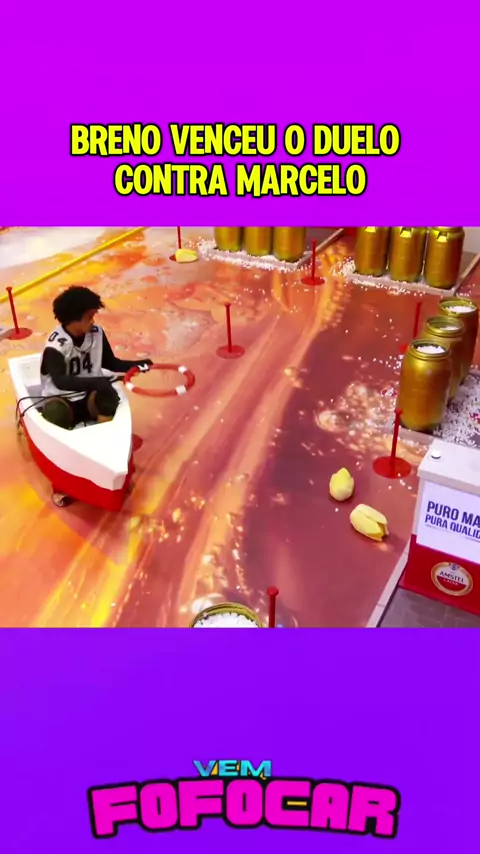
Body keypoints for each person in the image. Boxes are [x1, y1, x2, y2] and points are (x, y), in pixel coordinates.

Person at [40, 286, 153, 429]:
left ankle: (105, 432)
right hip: (62, 398)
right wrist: (97, 382)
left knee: (109, 396)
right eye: (89, 317)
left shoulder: (97, 333)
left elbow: (110, 362)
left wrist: (136, 365)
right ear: (73, 320)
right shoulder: (55, 346)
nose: (93, 321)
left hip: (89, 396)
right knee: (56, 413)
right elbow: (61, 381)